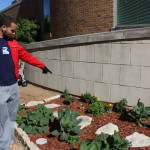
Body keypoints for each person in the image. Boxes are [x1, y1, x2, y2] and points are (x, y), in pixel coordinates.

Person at [0, 16, 52, 150]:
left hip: (13, 86)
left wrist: (41, 65)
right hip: (0, 89)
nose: (14, 33)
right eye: (12, 30)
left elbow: (26, 56)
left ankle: (9, 140)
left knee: (11, 118)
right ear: (3, 28)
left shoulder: (13, 43)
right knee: (2, 121)